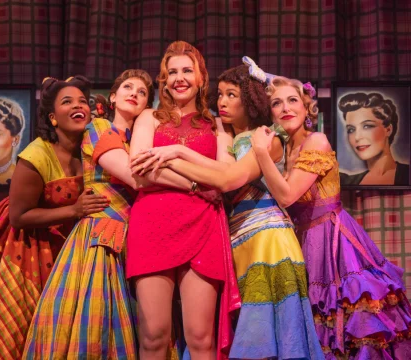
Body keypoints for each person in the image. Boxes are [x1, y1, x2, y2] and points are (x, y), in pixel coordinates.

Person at [133, 61, 324, 359]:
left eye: (232, 94)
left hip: (267, 239)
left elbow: (227, 179)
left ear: (250, 99)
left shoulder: (265, 138)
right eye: (220, 94)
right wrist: (179, 154)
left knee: (268, 335)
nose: (222, 101)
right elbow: (223, 170)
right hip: (238, 238)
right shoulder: (233, 140)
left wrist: (174, 153)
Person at [22, 69, 197, 359]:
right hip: (102, 236)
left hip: (139, 236)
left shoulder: (146, 139)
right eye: (128, 87)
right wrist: (196, 184)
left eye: (142, 93)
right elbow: (136, 176)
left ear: (147, 107)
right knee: (97, 321)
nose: (134, 94)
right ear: (113, 97)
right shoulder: (100, 127)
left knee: (148, 326)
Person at [0, 76, 109, 360]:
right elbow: (19, 216)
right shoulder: (36, 154)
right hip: (26, 248)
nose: (78, 105)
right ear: (53, 117)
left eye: (83, 101)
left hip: (68, 248)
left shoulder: (92, 150)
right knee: (23, 329)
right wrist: (75, 210)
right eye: (67, 101)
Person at [251, 76, 411, 358]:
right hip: (303, 243)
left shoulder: (317, 140)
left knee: (355, 323)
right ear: (270, 112)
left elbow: (287, 196)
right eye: (277, 103)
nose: (286, 108)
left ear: (306, 107)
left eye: (293, 100)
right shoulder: (286, 150)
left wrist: (261, 152)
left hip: (335, 241)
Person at [125, 41, 240, 360]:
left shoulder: (218, 125)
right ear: (163, 80)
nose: (179, 77)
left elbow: (227, 176)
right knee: (154, 336)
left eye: (187, 70)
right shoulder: (148, 118)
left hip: (203, 226)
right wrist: (194, 182)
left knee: (201, 336)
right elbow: (140, 171)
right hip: (152, 226)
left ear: (202, 77)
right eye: (171, 72)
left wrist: (172, 156)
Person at [338, 92, 409, 185]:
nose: (357, 137)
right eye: (351, 130)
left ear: (388, 129)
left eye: (367, 126)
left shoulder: (407, 175)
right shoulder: (347, 182)